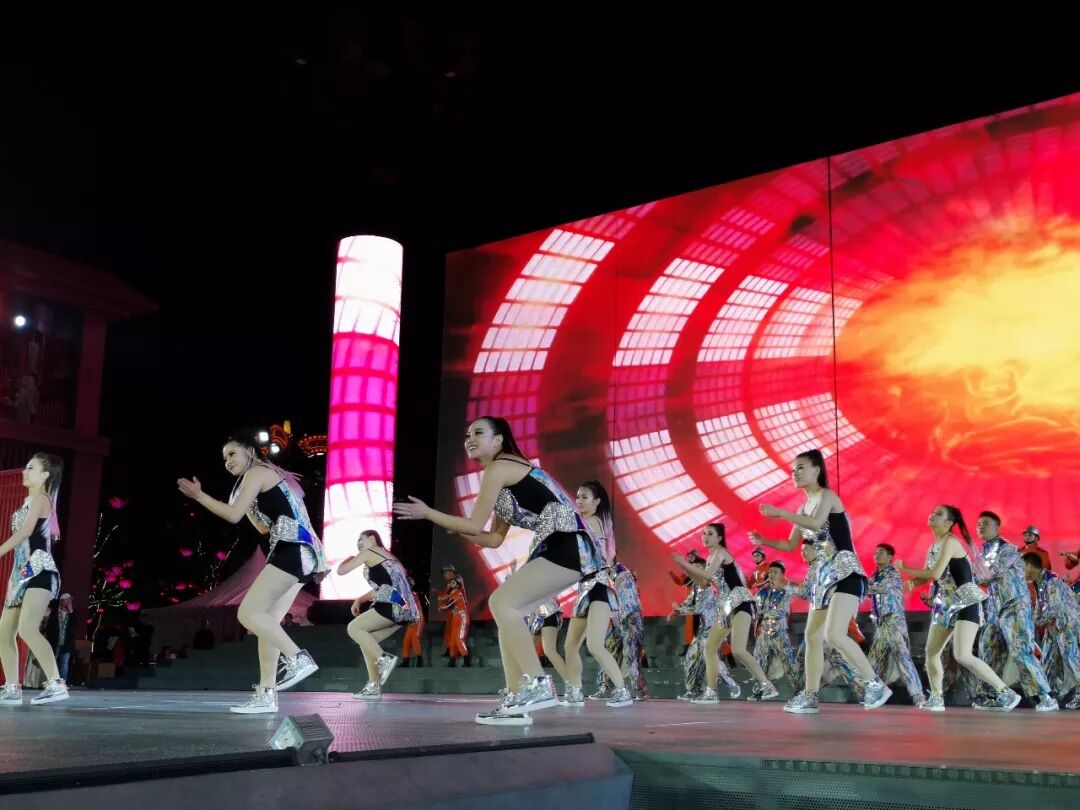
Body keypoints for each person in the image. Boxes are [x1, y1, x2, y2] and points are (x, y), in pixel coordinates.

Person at [394, 416, 607, 725]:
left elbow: (474, 524)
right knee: (509, 613)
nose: (469, 439)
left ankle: (537, 683)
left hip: (566, 543)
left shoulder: (500, 467)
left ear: (498, 440)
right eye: (467, 434)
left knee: (501, 603)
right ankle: (516, 698)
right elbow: (493, 539)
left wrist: (429, 513)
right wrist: (457, 528)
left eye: (478, 433)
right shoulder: (506, 478)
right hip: (564, 546)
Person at [179, 434, 328, 713]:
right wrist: (246, 502)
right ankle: (266, 694)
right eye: (224, 458)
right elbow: (262, 528)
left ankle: (297, 658)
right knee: (268, 625)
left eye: (232, 454)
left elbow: (232, 515)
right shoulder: (266, 476)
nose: (227, 461)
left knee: (248, 614)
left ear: (249, 451)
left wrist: (200, 496)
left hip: (291, 550)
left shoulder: (257, 471)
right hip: (302, 554)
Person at [751, 449, 891, 714]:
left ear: (817, 470)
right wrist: (763, 541)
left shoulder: (828, 497)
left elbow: (816, 524)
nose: (795, 473)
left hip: (846, 573)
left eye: (801, 467)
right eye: (793, 470)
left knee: (834, 634)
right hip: (823, 579)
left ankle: (875, 684)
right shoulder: (802, 508)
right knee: (812, 636)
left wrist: (781, 513)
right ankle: (810, 695)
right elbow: (790, 544)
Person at [896, 505, 1018, 712]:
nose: (932, 515)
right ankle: (936, 698)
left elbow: (934, 573)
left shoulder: (951, 542)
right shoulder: (933, 547)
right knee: (931, 652)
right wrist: (914, 583)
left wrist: (904, 568)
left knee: (962, 655)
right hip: (945, 605)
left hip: (965, 601)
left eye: (939, 514)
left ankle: (1006, 692)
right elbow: (929, 575)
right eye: (932, 512)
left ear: (949, 523)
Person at [673, 523, 778, 705]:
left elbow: (707, 575)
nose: (705, 536)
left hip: (741, 602)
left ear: (719, 538)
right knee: (709, 647)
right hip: (727, 606)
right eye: (704, 533)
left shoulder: (721, 553)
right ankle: (711, 692)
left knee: (738, 650)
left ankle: (767, 685)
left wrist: (684, 563)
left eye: (710, 534)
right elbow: (703, 583)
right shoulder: (711, 557)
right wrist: (684, 567)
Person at [0, 453, 68, 705]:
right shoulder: (29, 501)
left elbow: (25, 533)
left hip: (39, 569)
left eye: (31, 468)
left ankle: (56, 684)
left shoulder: (41, 498)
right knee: (3, 633)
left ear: (45, 475)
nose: (24, 472)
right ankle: (11, 688)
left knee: (27, 628)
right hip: (20, 574)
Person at [972, 511, 1057, 712]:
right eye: (979, 523)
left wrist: (966, 574)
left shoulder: (1007, 548)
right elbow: (979, 578)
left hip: (1014, 606)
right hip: (995, 610)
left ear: (997, 527)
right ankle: (994, 695)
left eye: (986, 523)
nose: (981, 526)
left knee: (1021, 650)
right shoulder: (983, 552)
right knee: (987, 648)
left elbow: (989, 574)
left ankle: (1045, 696)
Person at [561, 481, 633, 708]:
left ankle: (622, 690)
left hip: (599, 588)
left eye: (584, 497)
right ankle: (574, 692)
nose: (579, 501)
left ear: (597, 501)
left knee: (594, 645)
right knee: (570, 645)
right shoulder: (595, 523)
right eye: (578, 497)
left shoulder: (591, 522)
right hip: (586, 588)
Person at [340, 529, 417, 700]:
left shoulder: (370, 552)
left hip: (390, 604)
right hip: (404, 608)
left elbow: (342, 571)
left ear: (372, 538)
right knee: (368, 641)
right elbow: (386, 586)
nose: (358, 544)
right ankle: (373, 686)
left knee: (354, 628)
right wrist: (360, 599)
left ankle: (384, 659)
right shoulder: (391, 558)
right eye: (357, 541)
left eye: (361, 539)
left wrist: (347, 559)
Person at [864, 544, 925, 706]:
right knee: (875, 660)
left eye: (881, 552)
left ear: (890, 557)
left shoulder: (893, 573)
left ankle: (918, 695)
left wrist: (861, 587)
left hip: (893, 620)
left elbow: (881, 589)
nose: (877, 555)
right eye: (875, 552)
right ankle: (875, 693)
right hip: (881, 623)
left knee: (902, 656)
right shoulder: (874, 575)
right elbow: (870, 592)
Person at [1024, 553, 1080, 710]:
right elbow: (1039, 606)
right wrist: (1035, 620)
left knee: (1071, 659)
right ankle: (1050, 694)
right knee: (1047, 659)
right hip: (1052, 626)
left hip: (1066, 625)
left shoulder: (1052, 580)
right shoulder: (1039, 581)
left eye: (1022, 566)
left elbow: (1054, 608)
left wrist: (1038, 621)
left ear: (1030, 566)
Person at [44, 593, 76, 683]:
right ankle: (51, 681)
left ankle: (62, 683)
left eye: (70, 600)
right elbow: (49, 627)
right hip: (55, 641)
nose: (69, 602)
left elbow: (75, 623)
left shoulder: (71, 614)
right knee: (52, 662)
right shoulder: (54, 613)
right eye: (67, 600)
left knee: (64, 663)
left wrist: (71, 610)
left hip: (66, 643)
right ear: (61, 601)